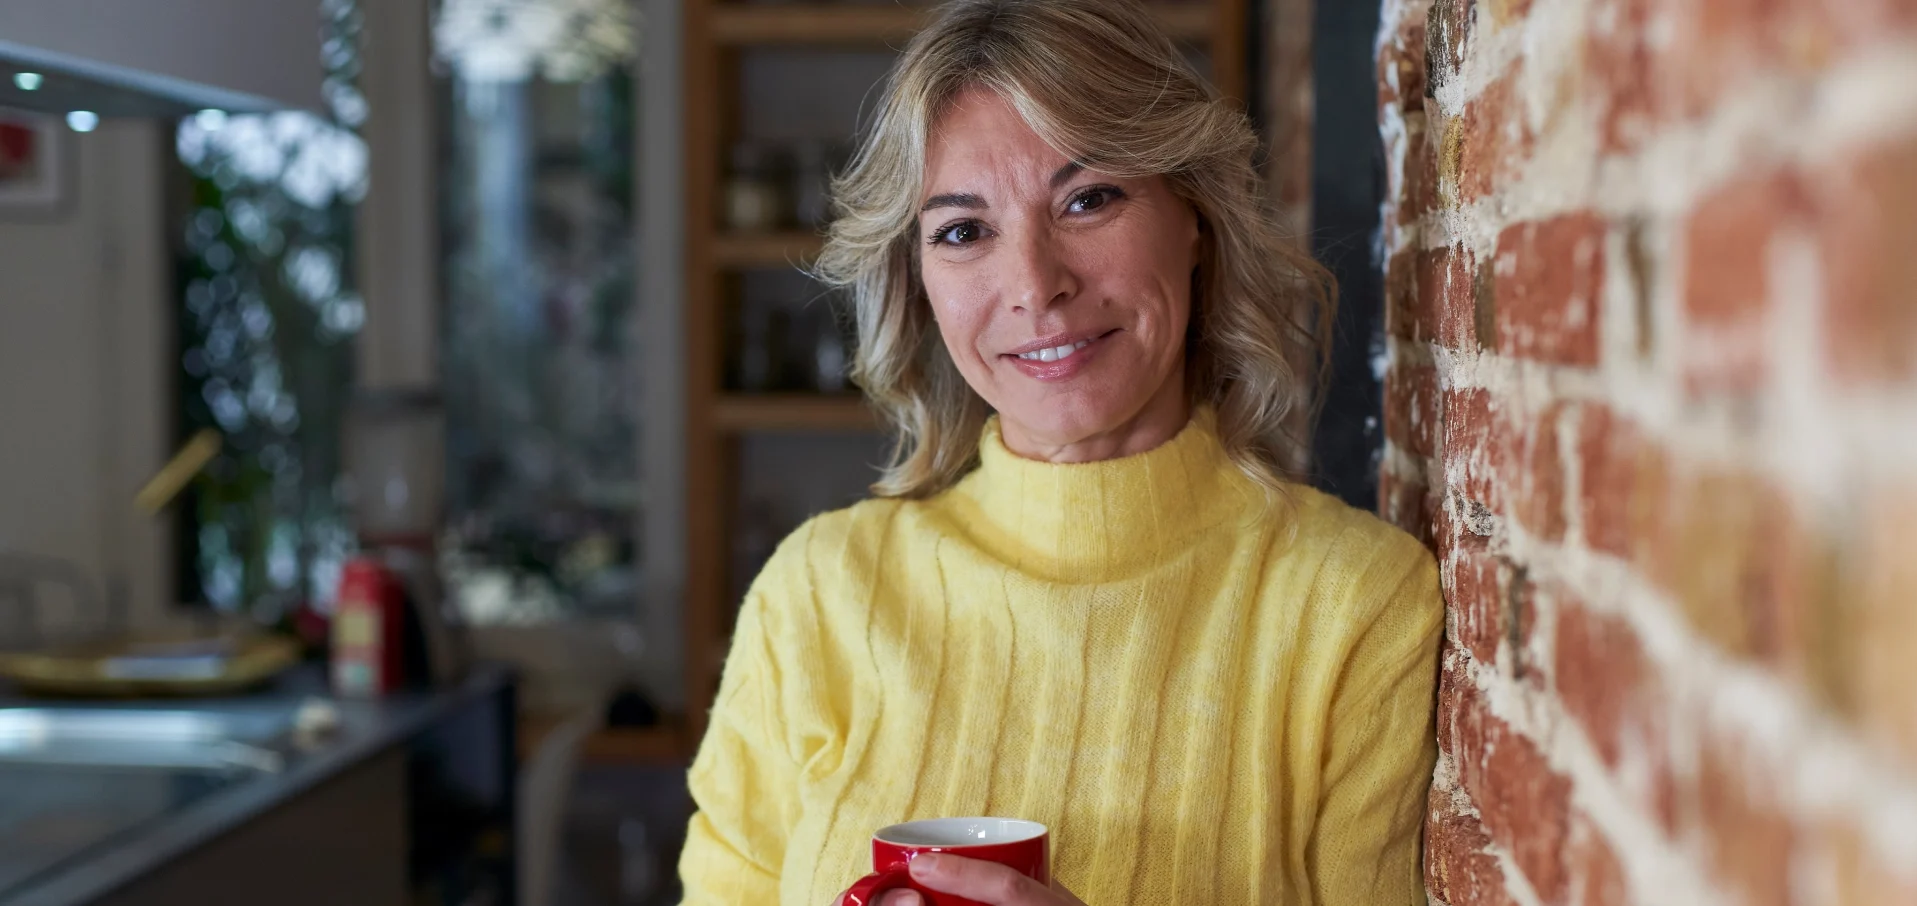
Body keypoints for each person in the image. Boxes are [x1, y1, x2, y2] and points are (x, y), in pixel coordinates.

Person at [677, 0, 1443, 903]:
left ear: (1193, 218)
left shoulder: (1355, 603)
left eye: (1089, 199)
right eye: (963, 230)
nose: (1037, 287)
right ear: (916, 283)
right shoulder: (815, 592)